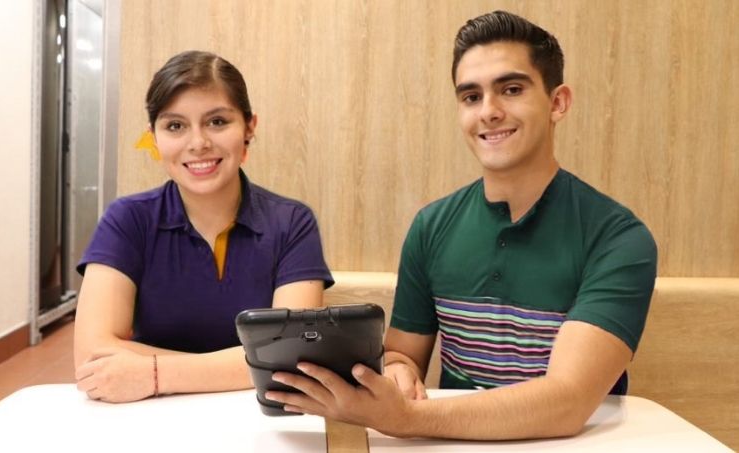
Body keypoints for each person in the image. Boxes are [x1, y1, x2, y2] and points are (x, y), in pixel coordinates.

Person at [265, 10, 657, 440]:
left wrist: (407, 419)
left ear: (558, 102)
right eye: (471, 97)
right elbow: (402, 355)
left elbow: (568, 401)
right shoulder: (431, 226)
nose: (488, 112)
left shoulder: (618, 237)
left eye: (511, 90)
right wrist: (398, 373)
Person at [73, 50, 333, 403]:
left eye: (217, 121)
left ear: (249, 127)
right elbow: (91, 356)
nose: (198, 143)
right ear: (154, 136)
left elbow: (292, 355)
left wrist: (151, 373)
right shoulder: (127, 219)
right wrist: (247, 365)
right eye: (175, 126)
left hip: (259, 413)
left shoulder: (292, 223)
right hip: (149, 414)